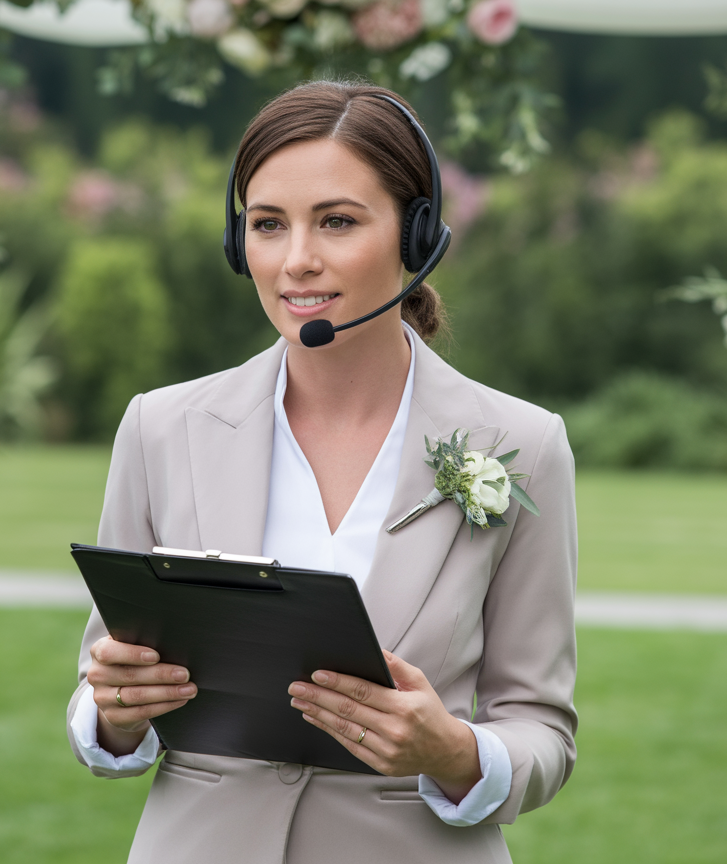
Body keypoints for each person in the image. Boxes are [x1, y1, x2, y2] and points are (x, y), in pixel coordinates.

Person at [66, 80, 577, 864]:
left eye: (336, 221)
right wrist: (115, 712)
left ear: (417, 234)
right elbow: (103, 689)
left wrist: (454, 751)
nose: (296, 261)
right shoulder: (159, 428)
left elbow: (541, 729)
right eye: (268, 225)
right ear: (240, 245)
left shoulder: (524, 444)